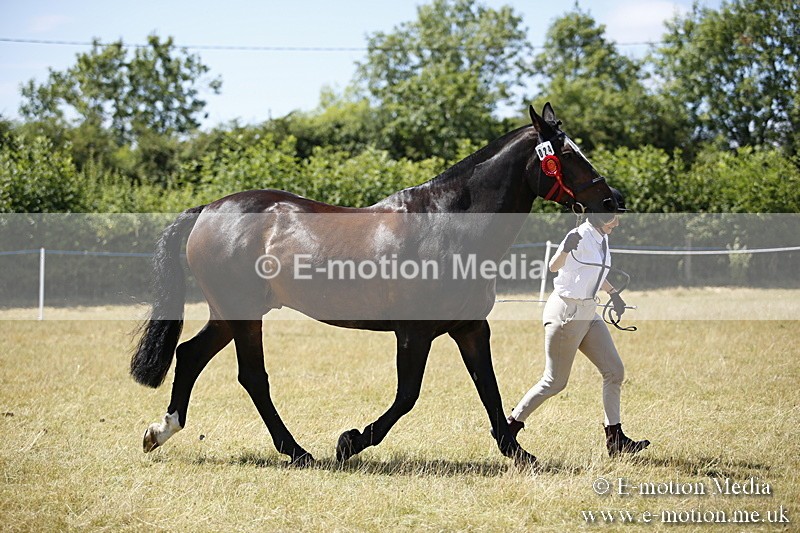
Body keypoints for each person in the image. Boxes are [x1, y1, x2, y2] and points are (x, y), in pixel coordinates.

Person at [505, 188, 650, 457]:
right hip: (566, 313)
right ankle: (508, 427)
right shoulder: (579, 236)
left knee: (614, 371)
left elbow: (594, 271)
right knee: (555, 382)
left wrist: (613, 293)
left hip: (588, 311)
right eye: (613, 217)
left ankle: (615, 439)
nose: (617, 222)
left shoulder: (601, 237)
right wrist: (566, 249)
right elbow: (553, 266)